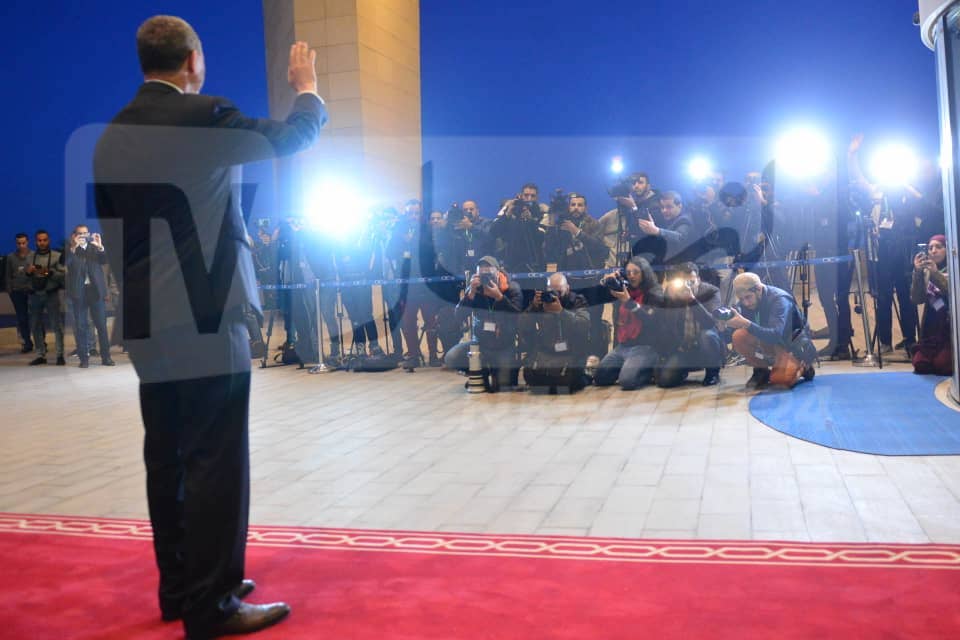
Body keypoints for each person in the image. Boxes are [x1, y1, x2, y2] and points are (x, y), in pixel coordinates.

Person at [93, 16, 326, 640]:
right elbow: (294, 137)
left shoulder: (110, 136)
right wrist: (307, 88)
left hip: (147, 318)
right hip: (208, 310)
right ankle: (213, 603)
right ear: (193, 61)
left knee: (166, 456)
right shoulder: (205, 116)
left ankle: (180, 588)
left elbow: (111, 231)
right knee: (215, 459)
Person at [722, 272, 816, 389]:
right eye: (742, 299)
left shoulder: (779, 300)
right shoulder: (746, 302)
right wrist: (724, 326)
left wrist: (746, 323)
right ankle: (761, 370)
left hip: (791, 344)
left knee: (780, 380)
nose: (745, 303)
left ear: (758, 289)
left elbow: (775, 335)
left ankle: (803, 366)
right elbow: (733, 336)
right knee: (739, 337)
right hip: (769, 340)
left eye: (748, 297)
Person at [445, 255, 523, 391]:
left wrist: (499, 297)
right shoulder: (475, 289)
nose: (486, 278)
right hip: (480, 344)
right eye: (482, 274)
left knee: (501, 386)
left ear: (498, 272)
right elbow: (458, 316)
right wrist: (470, 294)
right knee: (452, 357)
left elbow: (516, 315)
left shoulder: (511, 288)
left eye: (489, 273)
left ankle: (490, 372)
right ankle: (480, 372)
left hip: (504, 344)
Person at [593, 257, 664, 390]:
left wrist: (629, 303)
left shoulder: (654, 291)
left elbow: (653, 321)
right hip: (623, 346)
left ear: (644, 273)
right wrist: (607, 282)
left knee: (627, 381)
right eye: (628, 272)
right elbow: (600, 297)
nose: (631, 276)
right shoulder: (623, 289)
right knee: (600, 378)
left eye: (635, 272)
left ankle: (648, 370)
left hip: (645, 346)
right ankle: (629, 367)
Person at [654, 263, 724, 387]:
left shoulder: (711, 292)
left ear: (698, 280)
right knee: (665, 381)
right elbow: (666, 322)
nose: (687, 286)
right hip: (683, 347)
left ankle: (713, 373)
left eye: (691, 282)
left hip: (706, 345)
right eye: (683, 282)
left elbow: (711, 322)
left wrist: (692, 301)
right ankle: (682, 370)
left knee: (707, 335)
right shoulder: (671, 291)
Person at [519, 272, 590, 393]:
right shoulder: (543, 302)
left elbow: (583, 325)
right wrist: (533, 307)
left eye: (558, 291)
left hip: (571, 352)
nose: (555, 294)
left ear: (567, 288)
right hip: (546, 352)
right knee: (530, 375)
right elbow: (522, 325)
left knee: (570, 380)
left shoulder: (577, 300)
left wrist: (561, 312)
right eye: (551, 291)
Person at [65, 224, 114, 367]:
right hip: (79, 292)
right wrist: (73, 248)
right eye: (80, 233)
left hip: (95, 291)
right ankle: (84, 359)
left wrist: (100, 246)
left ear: (88, 234)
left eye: (85, 233)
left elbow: (104, 260)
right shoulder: (70, 250)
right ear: (74, 235)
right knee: (81, 326)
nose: (83, 236)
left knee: (101, 325)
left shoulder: (94, 248)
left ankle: (106, 357)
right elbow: (67, 264)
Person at [911, 235, 952, 375]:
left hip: (949, 327)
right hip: (931, 328)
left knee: (943, 366)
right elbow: (917, 299)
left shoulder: (954, 268)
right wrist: (917, 272)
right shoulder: (925, 271)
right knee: (920, 364)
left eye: (938, 247)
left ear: (947, 249)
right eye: (930, 248)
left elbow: (951, 293)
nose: (933, 251)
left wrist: (935, 274)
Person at [26, 229, 66, 365]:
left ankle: (60, 355)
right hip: (35, 295)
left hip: (51, 294)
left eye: (44, 240)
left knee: (56, 325)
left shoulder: (57, 256)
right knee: (35, 325)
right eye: (39, 240)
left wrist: (48, 272)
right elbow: (25, 276)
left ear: (49, 240)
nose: (42, 243)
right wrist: (28, 272)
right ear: (36, 241)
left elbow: (63, 276)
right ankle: (40, 355)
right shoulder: (30, 257)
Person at [5, 233, 34, 353]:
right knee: (22, 318)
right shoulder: (11, 257)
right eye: (19, 243)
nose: (21, 245)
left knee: (35, 317)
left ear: (27, 242)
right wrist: (10, 290)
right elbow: (7, 275)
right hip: (17, 292)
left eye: (23, 243)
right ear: (16, 243)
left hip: (31, 291)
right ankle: (27, 342)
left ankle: (41, 342)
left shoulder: (33, 255)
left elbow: (41, 273)